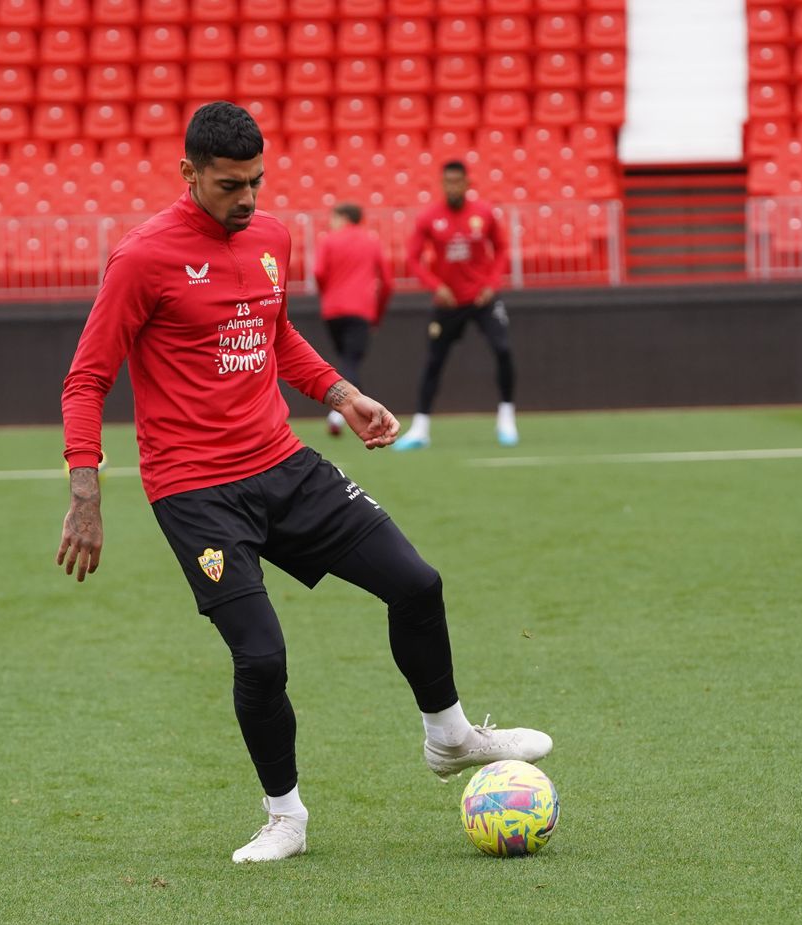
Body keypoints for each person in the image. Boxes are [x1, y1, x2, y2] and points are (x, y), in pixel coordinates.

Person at [56, 102, 552, 864]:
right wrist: (85, 494)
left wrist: (341, 395)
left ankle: (450, 736)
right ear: (188, 173)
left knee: (417, 584)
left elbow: (274, 331)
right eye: (229, 185)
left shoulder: (271, 237)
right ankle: (285, 817)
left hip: (282, 463)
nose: (247, 199)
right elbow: (87, 378)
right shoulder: (141, 258)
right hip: (195, 491)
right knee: (261, 658)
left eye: (256, 181)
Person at [394, 161, 519, 450]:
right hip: (448, 301)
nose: (452, 187)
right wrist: (436, 287)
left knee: (503, 349)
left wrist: (492, 284)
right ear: (442, 184)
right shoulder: (429, 218)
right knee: (434, 361)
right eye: (447, 182)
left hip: (482, 299)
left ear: (466, 183)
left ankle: (506, 418)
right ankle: (421, 428)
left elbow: (501, 248)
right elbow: (412, 257)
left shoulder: (484, 213)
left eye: (457, 181)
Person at [313, 202, 393, 438]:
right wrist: (377, 314)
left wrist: (328, 295)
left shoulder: (329, 240)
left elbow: (318, 272)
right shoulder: (371, 241)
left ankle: (356, 413)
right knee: (351, 361)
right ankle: (338, 414)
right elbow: (387, 282)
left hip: (332, 311)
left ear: (344, 217)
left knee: (348, 361)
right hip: (361, 310)